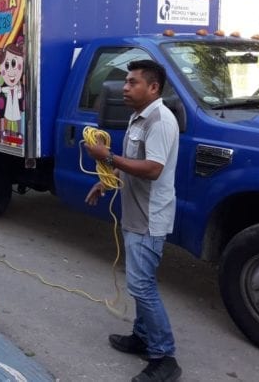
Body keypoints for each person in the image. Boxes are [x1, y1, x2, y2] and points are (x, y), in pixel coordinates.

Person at [84, 59, 181, 382]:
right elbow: (133, 161)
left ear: (153, 87)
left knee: (141, 285)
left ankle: (164, 356)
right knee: (140, 281)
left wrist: (107, 156)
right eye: (125, 82)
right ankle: (142, 336)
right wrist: (105, 180)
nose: (124, 88)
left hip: (150, 217)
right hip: (134, 213)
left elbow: (153, 168)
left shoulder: (160, 120)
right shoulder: (137, 117)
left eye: (132, 82)